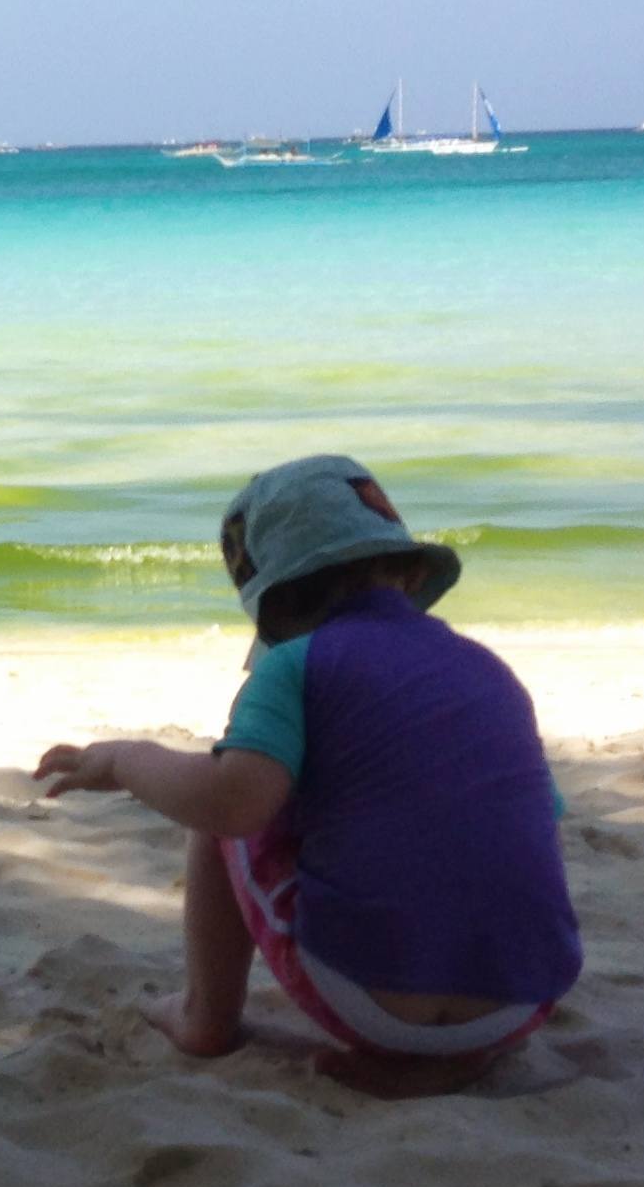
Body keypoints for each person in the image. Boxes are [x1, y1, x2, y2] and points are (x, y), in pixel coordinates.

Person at [33, 455, 579, 1098]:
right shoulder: (487, 669)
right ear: (407, 573)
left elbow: (230, 803)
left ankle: (205, 1017)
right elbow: (533, 817)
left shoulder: (294, 664)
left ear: (275, 606)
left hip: (371, 1001)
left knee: (230, 795)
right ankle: (453, 1055)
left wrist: (124, 759)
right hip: (521, 1001)